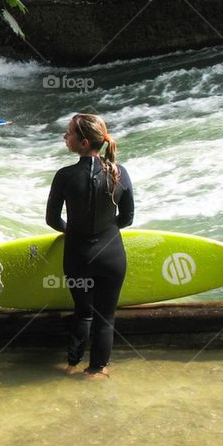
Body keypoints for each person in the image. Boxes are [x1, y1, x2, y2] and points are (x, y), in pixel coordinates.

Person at [46, 114, 134, 379]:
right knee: (106, 317)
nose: (65, 136)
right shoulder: (120, 172)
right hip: (112, 256)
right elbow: (127, 219)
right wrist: (105, 232)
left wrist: (74, 231)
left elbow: (52, 220)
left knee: (83, 313)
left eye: (69, 133)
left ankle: (72, 365)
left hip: (78, 256)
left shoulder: (65, 176)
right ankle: (96, 370)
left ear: (83, 143)